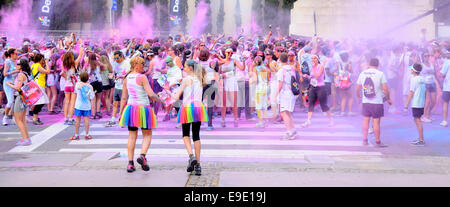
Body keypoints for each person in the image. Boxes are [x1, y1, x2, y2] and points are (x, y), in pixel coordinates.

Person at [119, 56, 164, 173]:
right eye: (142, 65)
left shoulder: (127, 78)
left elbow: (124, 98)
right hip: (143, 108)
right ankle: (142, 156)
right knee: (147, 135)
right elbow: (151, 94)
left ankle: (130, 163)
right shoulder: (142, 77)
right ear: (136, 65)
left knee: (132, 136)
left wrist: (120, 113)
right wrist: (162, 101)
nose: (144, 67)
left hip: (131, 108)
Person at [167, 59, 208, 176]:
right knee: (196, 135)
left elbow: (176, 97)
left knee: (185, 135)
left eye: (185, 66)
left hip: (187, 108)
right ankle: (198, 164)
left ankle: (191, 156)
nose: (183, 68)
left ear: (190, 68)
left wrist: (167, 91)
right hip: (198, 108)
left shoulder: (186, 80)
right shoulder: (201, 79)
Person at [356, 58, 392, 147]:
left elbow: (357, 88)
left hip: (366, 101)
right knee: (376, 122)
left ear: (369, 64)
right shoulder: (380, 74)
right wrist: (388, 99)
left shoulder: (363, 73)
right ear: (378, 65)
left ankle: (364, 140)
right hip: (377, 102)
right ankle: (378, 141)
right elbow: (385, 89)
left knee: (366, 120)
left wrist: (359, 97)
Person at [301, 55, 334, 128]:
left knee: (323, 105)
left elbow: (317, 76)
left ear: (317, 59)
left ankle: (331, 120)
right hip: (313, 87)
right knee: (311, 104)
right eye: (312, 58)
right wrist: (307, 76)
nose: (313, 60)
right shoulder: (312, 67)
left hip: (321, 88)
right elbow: (313, 77)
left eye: (314, 58)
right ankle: (308, 121)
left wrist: (313, 68)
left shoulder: (320, 66)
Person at [5, 59, 32, 146]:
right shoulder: (26, 74)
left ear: (21, 66)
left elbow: (18, 87)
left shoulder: (21, 74)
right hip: (24, 98)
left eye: (18, 64)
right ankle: (26, 138)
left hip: (20, 98)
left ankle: (25, 139)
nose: (16, 65)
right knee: (22, 119)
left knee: (18, 120)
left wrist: (8, 84)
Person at [219, 48, 244, 128]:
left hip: (232, 82)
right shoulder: (221, 61)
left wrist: (243, 61)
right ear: (225, 53)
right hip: (224, 82)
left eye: (231, 53)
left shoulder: (234, 61)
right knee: (224, 103)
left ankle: (235, 120)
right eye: (228, 53)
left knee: (234, 102)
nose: (230, 54)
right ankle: (223, 120)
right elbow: (218, 72)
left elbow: (242, 68)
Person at [105, 51, 130, 127]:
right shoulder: (115, 63)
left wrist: (121, 76)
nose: (116, 59)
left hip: (124, 87)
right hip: (117, 85)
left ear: (121, 56)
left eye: (117, 58)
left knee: (123, 104)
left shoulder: (126, 63)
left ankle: (123, 119)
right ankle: (113, 118)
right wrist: (112, 75)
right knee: (115, 103)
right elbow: (114, 72)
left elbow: (129, 73)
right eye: (115, 58)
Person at [61, 46, 84, 125]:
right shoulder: (74, 64)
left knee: (66, 102)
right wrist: (81, 47)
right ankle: (70, 119)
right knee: (72, 102)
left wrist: (67, 77)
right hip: (73, 85)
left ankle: (65, 118)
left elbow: (62, 73)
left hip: (66, 85)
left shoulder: (64, 65)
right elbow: (80, 55)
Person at [404, 63, 426, 146]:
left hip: (416, 103)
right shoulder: (422, 79)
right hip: (421, 103)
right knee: (417, 119)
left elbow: (411, 92)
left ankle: (421, 140)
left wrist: (406, 104)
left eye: (411, 69)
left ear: (414, 71)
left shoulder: (414, 79)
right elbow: (425, 92)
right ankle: (420, 138)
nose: (410, 70)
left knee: (417, 120)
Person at [277, 53, 297, 140]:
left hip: (286, 93)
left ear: (280, 60)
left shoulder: (281, 71)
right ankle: (293, 130)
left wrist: (274, 95)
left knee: (284, 113)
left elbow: (280, 84)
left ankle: (289, 132)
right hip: (292, 93)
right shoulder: (291, 68)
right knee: (288, 112)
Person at [70, 71, 95, 140]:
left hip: (78, 105)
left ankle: (76, 135)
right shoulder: (90, 86)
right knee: (86, 120)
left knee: (77, 120)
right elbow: (92, 97)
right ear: (88, 78)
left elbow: (75, 91)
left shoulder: (78, 84)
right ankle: (87, 134)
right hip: (87, 106)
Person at [30, 53, 50, 125]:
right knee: (41, 102)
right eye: (43, 59)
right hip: (39, 85)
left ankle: (35, 116)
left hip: (38, 84)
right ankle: (35, 118)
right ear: (40, 59)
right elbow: (47, 71)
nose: (43, 61)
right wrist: (47, 63)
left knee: (40, 102)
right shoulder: (38, 66)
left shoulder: (33, 65)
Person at [84, 53, 104, 119]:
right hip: (99, 82)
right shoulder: (98, 64)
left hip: (91, 83)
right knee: (98, 98)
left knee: (92, 99)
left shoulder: (87, 65)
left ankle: (93, 114)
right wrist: (97, 57)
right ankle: (98, 112)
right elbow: (103, 65)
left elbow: (84, 72)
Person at [335, 51, 355, 116]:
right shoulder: (349, 63)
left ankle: (342, 112)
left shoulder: (338, 63)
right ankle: (350, 111)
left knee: (343, 97)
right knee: (351, 97)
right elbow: (351, 71)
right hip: (348, 81)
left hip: (341, 81)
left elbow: (335, 71)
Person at [2, 48, 19, 126]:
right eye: (16, 53)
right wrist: (15, 71)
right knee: (10, 101)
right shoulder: (8, 61)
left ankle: (13, 117)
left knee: (16, 101)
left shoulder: (14, 61)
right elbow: (4, 74)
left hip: (14, 83)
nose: (17, 55)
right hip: (8, 83)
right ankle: (5, 117)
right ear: (12, 54)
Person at [421, 52, 439, 123]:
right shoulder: (421, 65)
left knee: (434, 101)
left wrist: (438, 83)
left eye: (428, 56)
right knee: (427, 101)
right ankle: (424, 116)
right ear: (423, 57)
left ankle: (428, 114)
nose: (427, 57)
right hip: (425, 84)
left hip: (432, 83)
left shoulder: (431, 64)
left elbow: (434, 74)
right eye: (425, 56)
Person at [253, 56, 269, 128]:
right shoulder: (265, 68)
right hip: (265, 88)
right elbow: (268, 78)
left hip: (259, 88)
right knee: (264, 105)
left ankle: (260, 121)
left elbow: (255, 80)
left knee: (258, 106)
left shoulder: (255, 69)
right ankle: (265, 120)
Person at [440, 52, 450, 127]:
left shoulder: (447, 62)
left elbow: (442, 74)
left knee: (445, 103)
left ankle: (444, 121)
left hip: (447, 86)